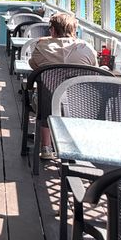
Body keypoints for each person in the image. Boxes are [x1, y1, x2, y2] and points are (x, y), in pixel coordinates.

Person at [28, 13, 98, 160]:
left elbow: (33, 65)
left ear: (52, 30)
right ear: (74, 30)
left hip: (47, 105)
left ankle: (46, 147)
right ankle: (76, 143)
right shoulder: (86, 48)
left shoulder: (42, 47)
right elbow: (95, 71)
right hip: (83, 106)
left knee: (46, 96)